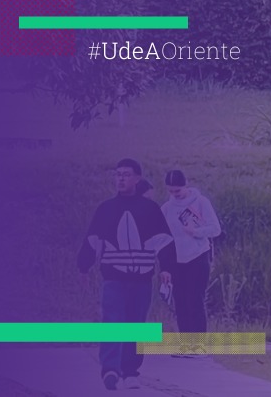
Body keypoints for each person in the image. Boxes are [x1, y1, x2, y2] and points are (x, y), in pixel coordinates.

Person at [77, 158, 175, 390]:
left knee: (135, 324)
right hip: (113, 277)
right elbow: (92, 240)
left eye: (126, 174)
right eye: (118, 174)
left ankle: (130, 371)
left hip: (142, 279)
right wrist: (84, 266)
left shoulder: (150, 209)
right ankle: (110, 369)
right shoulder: (106, 209)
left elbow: (164, 242)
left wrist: (167, 268)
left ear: (137, 178)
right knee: (112, 321)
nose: (121, 178)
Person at [160, 170, 222, 346]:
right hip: (176, 260)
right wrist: (165, 265)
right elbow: (163, 238)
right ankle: (186, 344)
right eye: (171, 191)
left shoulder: (201, 202)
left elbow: (215, 229)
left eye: (178, 191)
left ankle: (199, 344)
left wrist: (195, 232)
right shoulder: (166, 209)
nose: (175, 195)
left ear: (186, 184)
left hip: (198, 257)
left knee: (195, 300)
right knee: (181, 303)